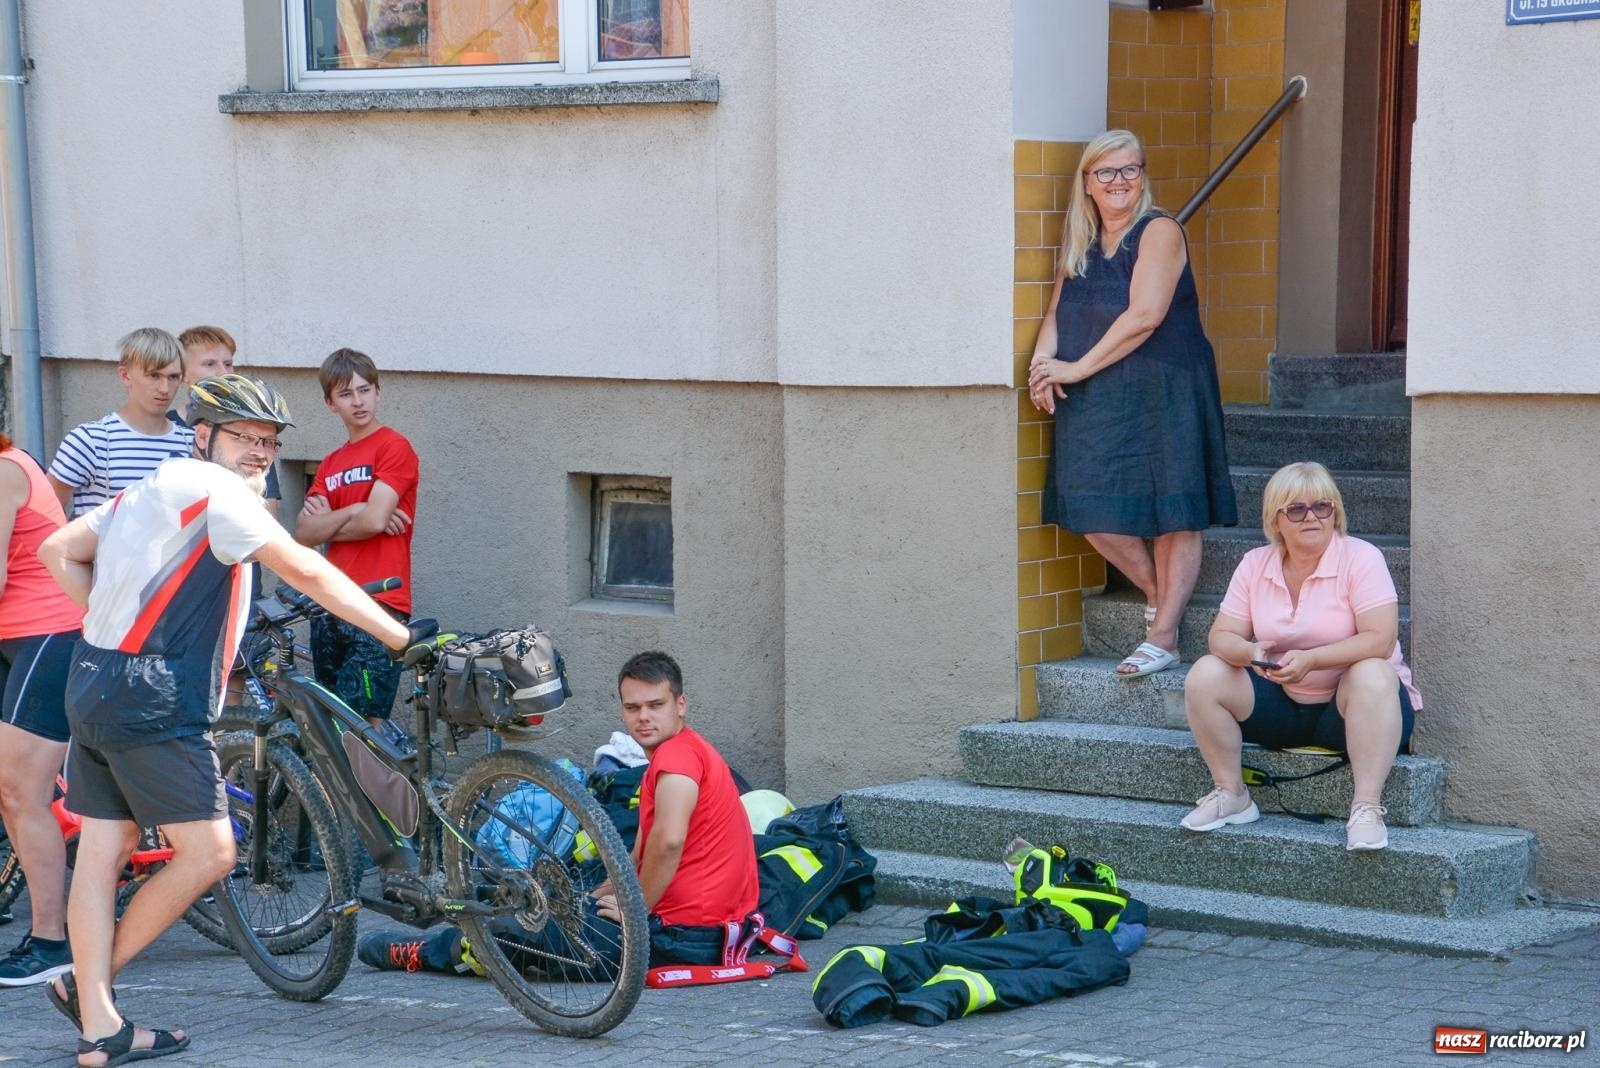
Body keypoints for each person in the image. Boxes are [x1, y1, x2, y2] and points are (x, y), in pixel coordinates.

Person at [37, 374, 434, 1067]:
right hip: (156, 696)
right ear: (203, 435)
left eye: (270, 442)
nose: (260, 452)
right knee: (212, 853)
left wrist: (110, 625)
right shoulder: (219, 495)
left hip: (94, 682)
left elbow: (58, 550)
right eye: (245, 438)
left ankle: (100, 1026)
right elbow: (306, 570)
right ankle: (87, 987)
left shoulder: (147, 488)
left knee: (102, 857)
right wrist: (399, 638)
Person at [358, 650, 760, 977]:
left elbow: (669, 841)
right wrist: (607, 891)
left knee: (523, 933)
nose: (644, 717)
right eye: (633, 707)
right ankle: (464, 929)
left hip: (683, 936)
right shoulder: (686, 752)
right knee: (537, 903)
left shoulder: (677, 760)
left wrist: (636, 910)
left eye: (656, 705)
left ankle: (424, 953)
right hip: (703, 928)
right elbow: (645, 846)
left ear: (681, 704)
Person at [1027, 129, 1237, 679]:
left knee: (1175, 508)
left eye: (1130, 170)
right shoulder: (1079, 242)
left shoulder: (1160, 231)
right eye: (1107, 172)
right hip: (1100, 386)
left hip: (1165, 385)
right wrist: (1041, 366)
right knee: (1085, 500)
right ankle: (1156, 591)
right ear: (1088, 183)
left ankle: (1163, 633)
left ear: (1143, 176)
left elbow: (1145, 316)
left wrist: (1073, 368)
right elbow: (1055, 314)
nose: (1120, 181)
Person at [1179, 461, 1420, 852]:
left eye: (1321, 507)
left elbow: (1381, 638)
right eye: (1296, 509)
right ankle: (1232, 794)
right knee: (1207, 673)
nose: (1311, 517)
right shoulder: (1255, 563)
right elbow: (1220, 636)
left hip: (1352, 711)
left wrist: (1313, 659)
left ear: (1335, 513)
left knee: (1373, 671)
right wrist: (1250, 652)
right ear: (1276, 521)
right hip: (1283, 706)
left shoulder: (1361, 557)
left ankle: (1367, 807)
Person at [294, 348, 418, 738]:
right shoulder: (330, 463)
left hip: (379, 603)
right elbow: (302, 535)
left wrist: (338, 519)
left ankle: (374, 799)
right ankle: (336, 801)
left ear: (378, 392)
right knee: (328, 726)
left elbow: (377, 521)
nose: (358, 401)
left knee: (364, 726)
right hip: (329, 602)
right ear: (330, 403)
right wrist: (358, 511)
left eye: (365, 390)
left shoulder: (393, 446)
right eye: (346, 394)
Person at [0, 434, 86, 986]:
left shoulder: (5, 469)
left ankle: (51, 941)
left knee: (19, 791)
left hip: (45, 634)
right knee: (16, 788)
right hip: (14, 636)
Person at [46, 329, 194, 518]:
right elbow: (45, 514)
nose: (164, 388)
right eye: (153, 376)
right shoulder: (91, 441)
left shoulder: (191, 442)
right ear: (125, 376)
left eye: (173, 377)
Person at [174, 325, 283, 517]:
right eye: (209, 364)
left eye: (228, 364)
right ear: (183, 374)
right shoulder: (166, 427)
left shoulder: (250, 426)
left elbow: (269, 512)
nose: (223, 373)